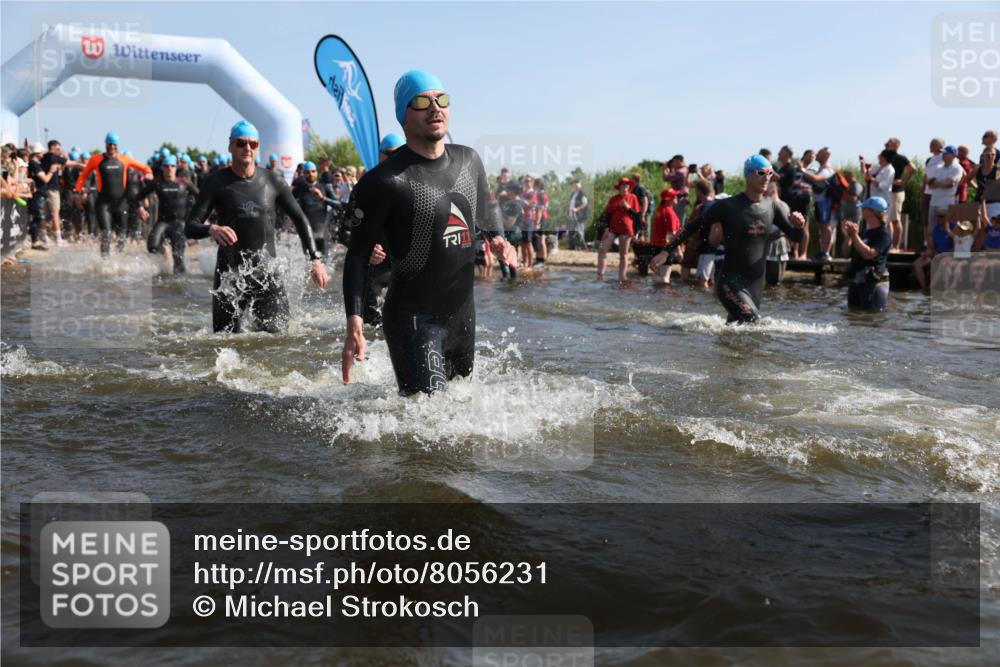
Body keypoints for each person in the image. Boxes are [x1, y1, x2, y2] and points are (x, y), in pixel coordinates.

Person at [340, 70, 506, 395]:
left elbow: (488, 208)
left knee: (459, 419)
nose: (435, 108)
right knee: (428, 427)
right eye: (421, 101)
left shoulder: (469, 161)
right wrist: (354, 325)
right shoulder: (384, 181)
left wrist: (498, 237)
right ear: (404, 116)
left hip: (463, 317)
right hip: (414, 321)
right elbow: (357, 255)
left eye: (441, 99)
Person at [185, 120, 329, 333]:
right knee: (223, 343)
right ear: (230, 146)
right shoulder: (215, 182)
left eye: (252, 144)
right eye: (241, 143)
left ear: (257, 146)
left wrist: (315, 260)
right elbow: (190, 226)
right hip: (230, 277)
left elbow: (300, 219)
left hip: (266, 274)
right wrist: (212, 229)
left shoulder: (272, 180)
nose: (247, 148)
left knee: (279, 341)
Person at [656, 155, 806, 324]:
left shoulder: (772, 207)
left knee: (738, 330)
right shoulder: (729, 206)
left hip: (756, 283)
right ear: (748, 175)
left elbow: (796, 238)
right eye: (761, 173)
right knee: (753, 322)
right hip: (730, 282)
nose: (767, 178)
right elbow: (692, 226)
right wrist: (666, 251)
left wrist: (799, 226)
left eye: (770, 173)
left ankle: (721, 349)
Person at [74, 132, 153, 257]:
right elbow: (83, 175)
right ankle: (105, 261)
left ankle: (117, 259)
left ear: (117, 146)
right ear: (105, 144)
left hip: (121, 204)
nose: (112, 147)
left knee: (122, 235)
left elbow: (144, 167)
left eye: (114, 145)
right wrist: (78, 192)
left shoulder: (124, 159)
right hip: (103, 204)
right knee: (106, 234)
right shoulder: (96, 159)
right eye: (110, 144)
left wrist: (148, 173)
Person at [137, 155, 198, 273]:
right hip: (163, 222)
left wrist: (200, 216)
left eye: (172, 166)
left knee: (178, 258)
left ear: (176, 168)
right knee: (152, 246)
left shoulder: (184, 182)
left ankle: (179, 286)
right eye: (166, 166)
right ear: (162, 168)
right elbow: (137, 198)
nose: (169, 169)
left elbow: (201, 197)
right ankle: (164, 257)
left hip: (179, 223)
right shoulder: (158, 183)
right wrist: (140, 208)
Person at [841, 196, 892, 311]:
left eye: (864, 208)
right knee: (854, 316)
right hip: (857, 281)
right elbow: (846, 253)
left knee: (871, 316)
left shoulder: (884, 235)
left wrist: (854, 236)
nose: (861, 211)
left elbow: (869, 254)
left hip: (873, 283)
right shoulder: (864, 233)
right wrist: (848, 237)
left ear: (871, 212)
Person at [292, 160, 340, 258]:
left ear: (317, 172)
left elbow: (339, 205)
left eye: (313, 171)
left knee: (325, 265)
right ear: (303, 174)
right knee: (309, 266)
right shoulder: (299, 189)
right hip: (307, 233)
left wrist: (323, 198)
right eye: (308, 172)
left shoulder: (325, 187)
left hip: (322, 232)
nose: (311, 174)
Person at [597, 177, 639, 281]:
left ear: (629, 187)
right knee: (602, 250)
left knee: (623, 254)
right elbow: (607, 214)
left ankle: (622, 276)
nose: (625, 187)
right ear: (619, 187)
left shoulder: (633, 197)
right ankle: (600, 275)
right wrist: (606, 228)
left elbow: (637, 215)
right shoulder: (614, 199)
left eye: (627, 185)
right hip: (612, 228)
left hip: (626, 228)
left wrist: (628, 207)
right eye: (623, 185)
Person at [924, 145, 964, 247]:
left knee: (948, 227)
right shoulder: (939, 167)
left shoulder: (957, 168)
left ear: (953, 155)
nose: (943, 155)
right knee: (931, 228)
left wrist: (938, 183)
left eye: (946, 153)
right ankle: (930, 249)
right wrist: (942, 183)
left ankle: (951, 250)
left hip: (946, 203)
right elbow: (930, 183)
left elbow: (949, 184)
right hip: (934, 201)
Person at [801, 146, 835, 259]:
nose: (816, 156)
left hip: (825, 201)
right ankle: (822, 252)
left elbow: (816, 179)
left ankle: (826, 253)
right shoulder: (818, 166)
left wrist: (802, 170)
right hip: (819, 200)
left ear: (824, 155)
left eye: (819, 153)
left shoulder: (827, 168)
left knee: (826, 226)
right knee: (821, 226)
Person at [884, 137, 915, 250]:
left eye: (889, 143)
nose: (886, 144)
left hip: (896, 192)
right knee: (886, 219)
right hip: (886, 191)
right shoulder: (885, 158)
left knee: (895, 219)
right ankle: (888, 244)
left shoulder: (900, 158)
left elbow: (913, 169)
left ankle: (896, 246)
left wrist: (903, 181)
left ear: (896, 145)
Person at [648, 188, 682, 284]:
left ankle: (655, 297)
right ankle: (664, 298)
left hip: (655, 245)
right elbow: (672, 234)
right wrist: (679, 250)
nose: (677, 198)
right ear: (668, 199)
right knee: (664, 278)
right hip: (665, 247)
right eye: (674, 196)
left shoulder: (659, 210)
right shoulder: (669, 212)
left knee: (656, 276)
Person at [567, 179, 589, 250]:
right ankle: (571, 248)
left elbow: (585, 203)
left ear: (579, 185)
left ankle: (582, 247)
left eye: (576, 185)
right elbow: (571, 204)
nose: (574, 186)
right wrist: (565, 205)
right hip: (571, 216)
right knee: (571, 232)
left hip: (580, 216)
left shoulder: (582, 193)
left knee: (580, 232)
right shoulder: (573, 194)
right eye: (573, 185)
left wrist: (577, 209)